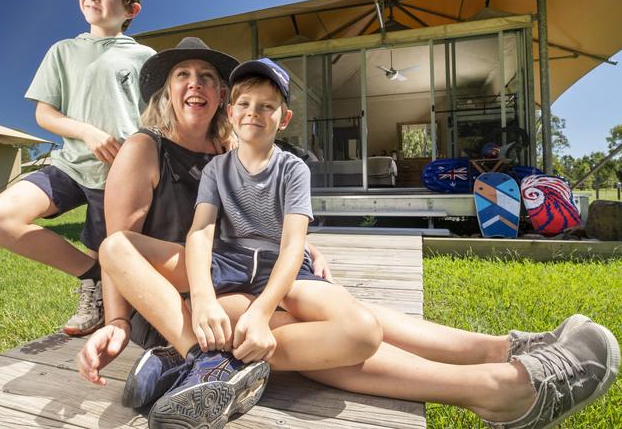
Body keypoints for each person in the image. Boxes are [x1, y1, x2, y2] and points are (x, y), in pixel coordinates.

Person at [79, 54, 619, 429]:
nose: (195, 85)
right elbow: (124, 245)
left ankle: (502, 353)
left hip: (238, 280)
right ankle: (501, 386)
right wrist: (117, 323)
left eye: (207, 77)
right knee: (337, 324)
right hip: (177, 302)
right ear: (167, 90)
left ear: (223, 97)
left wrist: (298, 246)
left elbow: (258, 225)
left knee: (334, 311)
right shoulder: (145, 148)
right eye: (181, 75)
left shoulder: (235, 152)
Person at [0, 0, 155, 336]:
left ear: (131, 9)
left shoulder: (145, 58)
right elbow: (45, 114)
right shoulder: (62, 51)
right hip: (68, 166)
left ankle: (104, 297)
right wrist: (87, 132)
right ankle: (91, 276)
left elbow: (156, 123)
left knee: (117, 279)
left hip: (117, 180)